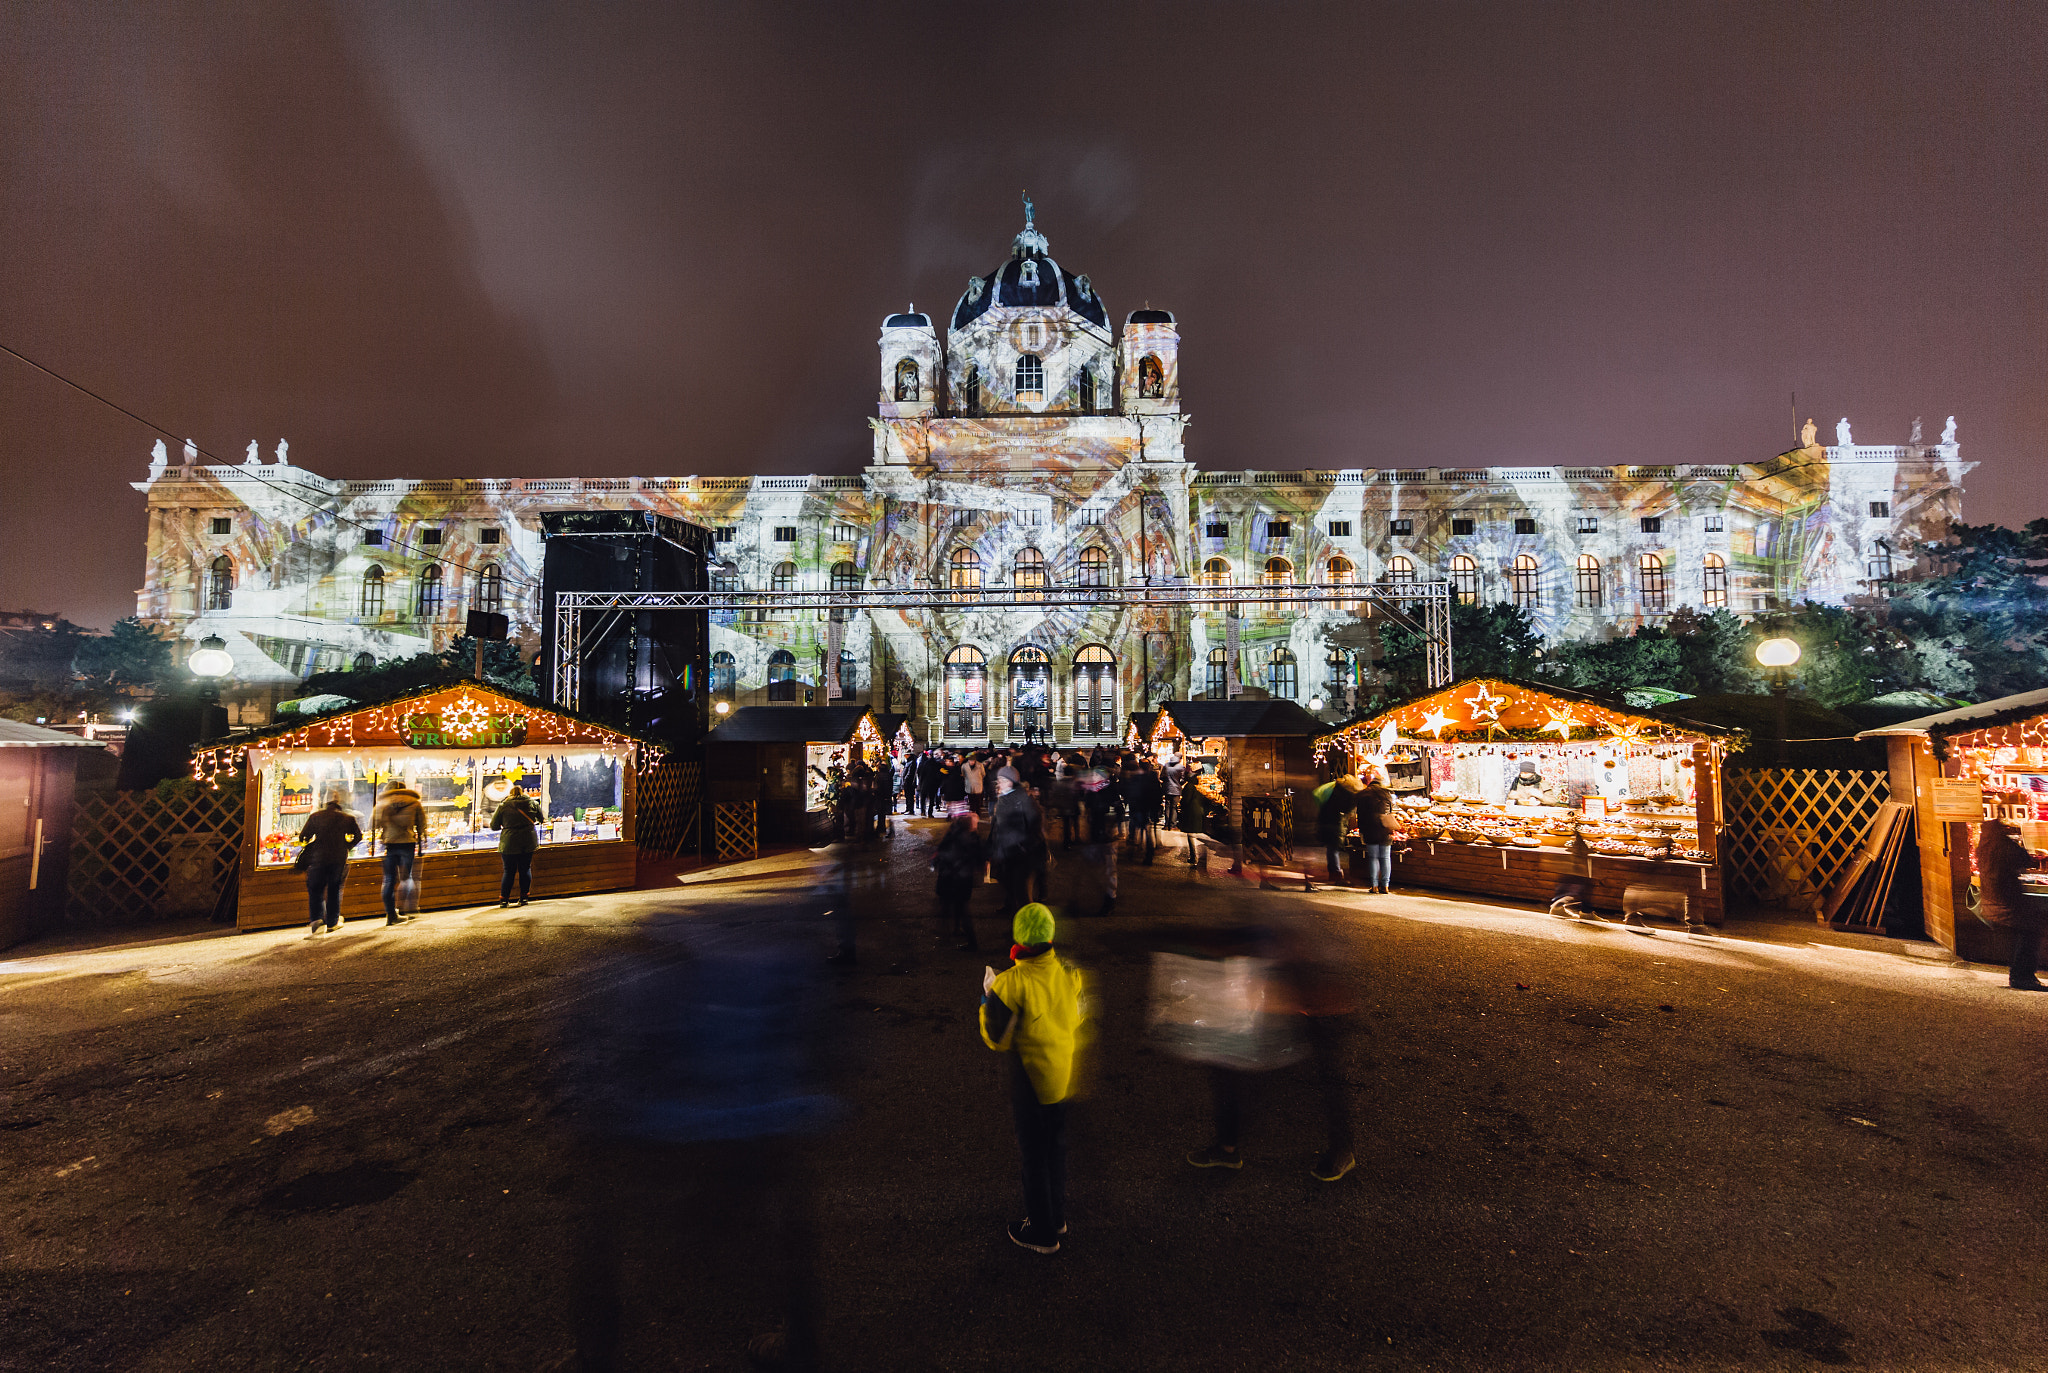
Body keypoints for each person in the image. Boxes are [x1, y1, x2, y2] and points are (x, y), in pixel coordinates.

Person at [978, 903, 1089, 1254]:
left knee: (1033, 1156)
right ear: (1051, 937)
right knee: (1055, 1150)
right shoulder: (1069, 972)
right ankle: (1056, 1216)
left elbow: (997, 1038)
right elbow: (1078, 1016)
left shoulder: (1010, 984)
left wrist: (987, 997)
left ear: (1018, 940)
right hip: (1062, 1076)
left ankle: (1041, 1231)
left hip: (1031, 1082)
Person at [1978, 819, 2045, 990]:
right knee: (2030, 931)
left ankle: (2020, 975)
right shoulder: (2001, 844)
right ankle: (2022, 977)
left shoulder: (1985, 845)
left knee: (2027, 932)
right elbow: (2023, 858)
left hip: (1996, 900)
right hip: (2007, 901)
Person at [987, 767, 1048, 920]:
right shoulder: (1003, 798)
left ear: (1011, 782)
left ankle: (1029, 926)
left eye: (1002, 780)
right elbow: (996, 825)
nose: (999, 783)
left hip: (1021, 854)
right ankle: (1010, 907)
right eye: (999, 780)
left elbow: (1035, 826)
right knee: (1007, 882)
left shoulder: (1023, 800)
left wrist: (1024, 847)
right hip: (1006, 851)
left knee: (1022, 893)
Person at [298, 790, 361, 936]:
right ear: (339, 804)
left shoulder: (315, 817)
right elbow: (358, 836)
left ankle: (317, 922)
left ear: (325, 804)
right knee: (334, 890)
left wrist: (311, 843)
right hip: (338, 858)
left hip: (318, 858)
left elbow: (303, 836)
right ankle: (332, 922)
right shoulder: (347, 818)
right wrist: (347, 845)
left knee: (315, 890)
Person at [371, 779, 426, 926]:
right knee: (406, 877)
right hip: (408, 842)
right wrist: (420, 843)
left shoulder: (383, 803)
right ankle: (408, 909)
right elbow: (422, 825)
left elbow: (373, 824)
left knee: (389, 880)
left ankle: (391, 914)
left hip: (389, 844)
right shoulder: (414, 802)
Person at [933, 810, 987, 951]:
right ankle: (968, 939)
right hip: (962, 879)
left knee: (952, 906)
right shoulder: (973, 839)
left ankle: (952, 933)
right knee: (961, 908)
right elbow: (981, 858)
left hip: (950, 877)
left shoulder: (953, 835)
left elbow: (942, 852)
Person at [491, 783, 544, 907]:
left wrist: (506, 824)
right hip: (528, 841)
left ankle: (504, 900)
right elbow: (541, 819)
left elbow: (494, 826)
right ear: (523, 793)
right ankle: (524, 898)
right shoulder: (533, 803)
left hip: (509, 842)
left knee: (509, 871)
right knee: (525, 869)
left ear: (511, 794)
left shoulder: (503, 806)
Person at [1314, 774, 1363, 889]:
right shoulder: (1347, 796)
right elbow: (1347, 810)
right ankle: (1336, 875)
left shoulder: (1333, 790)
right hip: (1335, 824)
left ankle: (1334, 873)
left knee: (1331, 849)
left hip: (1326, 822)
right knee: (1333, 849)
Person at [1354, 770, 1397, 894]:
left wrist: (1361, 830)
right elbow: (1390, 811)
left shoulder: (1363, 794)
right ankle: (1386, 886)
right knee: (1385, 857)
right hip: (1385, 828)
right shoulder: (1387, 794)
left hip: (1369, 828)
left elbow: (1360, 814)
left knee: (1373, 857)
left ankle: (1374, 885)